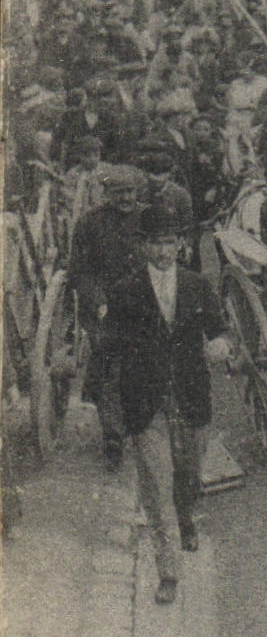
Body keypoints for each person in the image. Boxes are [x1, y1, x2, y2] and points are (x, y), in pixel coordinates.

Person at [103, 205, 232, 605]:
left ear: (179, 245)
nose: (162, 252)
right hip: (146, 401)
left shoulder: (197, 285)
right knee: (156, 486)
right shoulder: (126, 292)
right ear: (143, 247)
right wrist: (112, 411)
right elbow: (109, 350)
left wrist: (221, 344)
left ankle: (187, 515)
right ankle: (168, 572)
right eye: (155, 244)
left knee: (189, 473)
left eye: (169, 243)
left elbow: (219, 329)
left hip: (190, 394)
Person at [67, 164, 148, 469]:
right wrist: (100, 303)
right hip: (105, 307)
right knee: (110, 366)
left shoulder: (147, 216)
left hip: (143, 302)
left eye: (130, 192)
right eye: (118, 193)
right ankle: (113, 436)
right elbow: (81, 273)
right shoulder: (90, 224)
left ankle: (147, 423)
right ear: (106, 194)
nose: (126, 198)